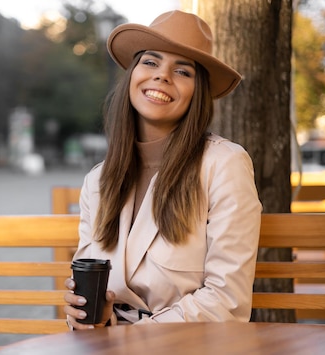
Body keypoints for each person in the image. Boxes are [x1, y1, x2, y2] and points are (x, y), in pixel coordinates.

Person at [64, 10, 262, 330]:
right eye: (151, 62)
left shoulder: (224, 164)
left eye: (182, 71)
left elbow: (227, 300)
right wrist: (88, 316)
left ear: (197, 93)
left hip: (187, 346)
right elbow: (92, 287)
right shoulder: (98, 181)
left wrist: (130, 340)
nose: (162, 76)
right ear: (133, 75)